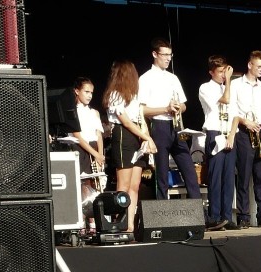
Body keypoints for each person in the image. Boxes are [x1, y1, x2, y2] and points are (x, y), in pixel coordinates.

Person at [139, 37, 202, 202]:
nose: (168, 58)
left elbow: (184, 105)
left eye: (170, 55)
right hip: (158, 126)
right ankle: (162, 213)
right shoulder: (145, 78)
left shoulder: (173, 78)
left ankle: (199, 213)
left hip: (176, 126)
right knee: (162, 173)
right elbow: (142, 109)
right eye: (164, 54)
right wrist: (166, 109)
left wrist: (178, 107)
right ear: (154, 54)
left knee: (189, 170)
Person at [102, 60, 157, 233]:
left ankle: (130, 223)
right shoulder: (115, 95)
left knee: (135, 184)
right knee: (123, 184)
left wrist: (146, 139)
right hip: (123, 136)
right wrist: (146, 137)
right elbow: (125, 121)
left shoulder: (135, 95)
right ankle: (119, 221)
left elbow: (140, 118)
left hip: (137, 136)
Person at [229, 50, 261, 228]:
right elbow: (232, 111)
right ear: (250, 65)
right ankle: (243, 216)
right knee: (243, 175)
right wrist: (245, 121)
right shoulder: (236, 85)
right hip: (243, 130)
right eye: (259, 66)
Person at [199, 55, 238, 231]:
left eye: (225, 71)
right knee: (215, 178)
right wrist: (229, 81)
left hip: (228, 134)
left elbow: (235, 114)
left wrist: (232, 135)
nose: (224, 75)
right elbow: (225, 100)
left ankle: (227, 217)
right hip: (215, 134)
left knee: (229, 179)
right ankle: (214, 217)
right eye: (221, 72)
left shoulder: (229, 87)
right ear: (211, 72)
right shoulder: (205, 88)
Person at [69, 76, 105, 201]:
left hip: (94, 149)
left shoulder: (94, 112)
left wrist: (100, 154)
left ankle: (93, 217)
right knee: (82, 184)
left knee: (95, 184)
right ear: (77, 91)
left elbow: (99, 134)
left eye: (91, 93)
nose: (89, 95)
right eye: (86, 92)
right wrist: (95, 153)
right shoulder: (72, 112)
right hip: (81, 148)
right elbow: (77, 136)